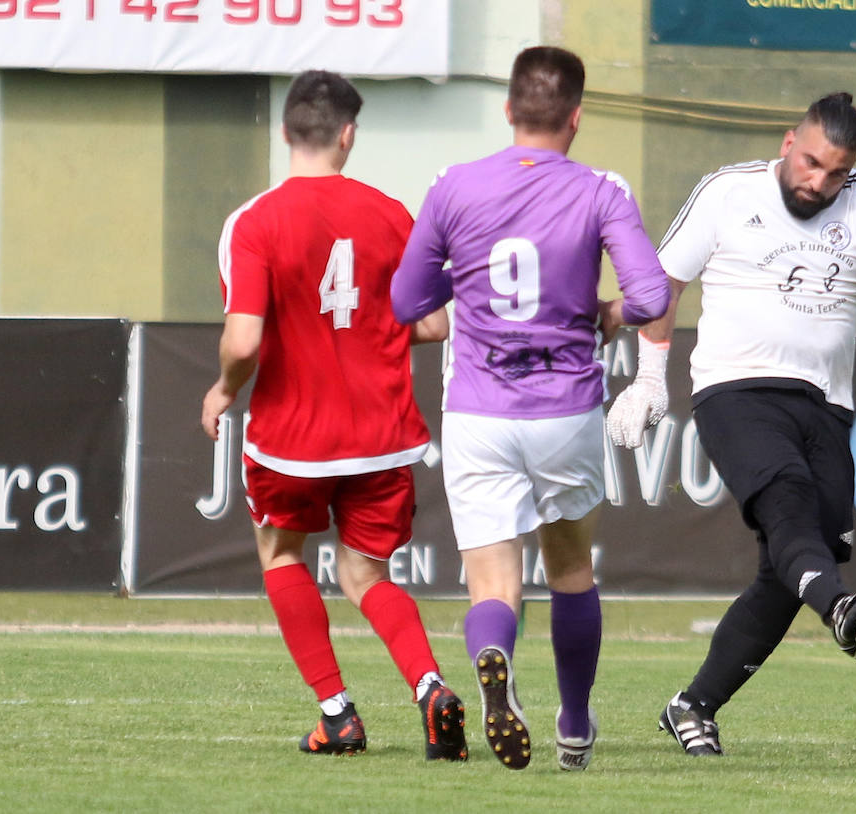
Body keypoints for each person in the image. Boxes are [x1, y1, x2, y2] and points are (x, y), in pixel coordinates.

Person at [606, 92, 856, 757]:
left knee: (792, 563)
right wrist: (650, 380)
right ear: (787, 142)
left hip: (826, 405)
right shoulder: (725, 193)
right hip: (735, 392)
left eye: (835, 171)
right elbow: (663, 286)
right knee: (788, 506)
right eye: (811, 163)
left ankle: (693, 705)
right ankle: (841, 610)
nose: (819, 182)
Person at [391, 46, 671, 771]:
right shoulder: (602, 189)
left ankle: (492, 653)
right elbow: (651, 297)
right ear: (577, 117)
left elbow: (405, 302)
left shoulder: (453, 186)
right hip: (564, 409)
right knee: (572, 570)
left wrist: (471, 289)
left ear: (509, 110)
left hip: (479, 411)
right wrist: (605, 311)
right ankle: (573, 727)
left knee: (492, 580)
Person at [200, 70, 467, 762]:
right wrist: (367, 332)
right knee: (367, 577)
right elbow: (435, 324)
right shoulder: (390, 214)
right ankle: (430, 686)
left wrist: (226, 389)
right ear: (349, 135)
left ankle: (337, 715)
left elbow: (245, 339)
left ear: (286, 132)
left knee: (282, 555)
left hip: (291, 441)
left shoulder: (252, 222)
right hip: (382, 437)